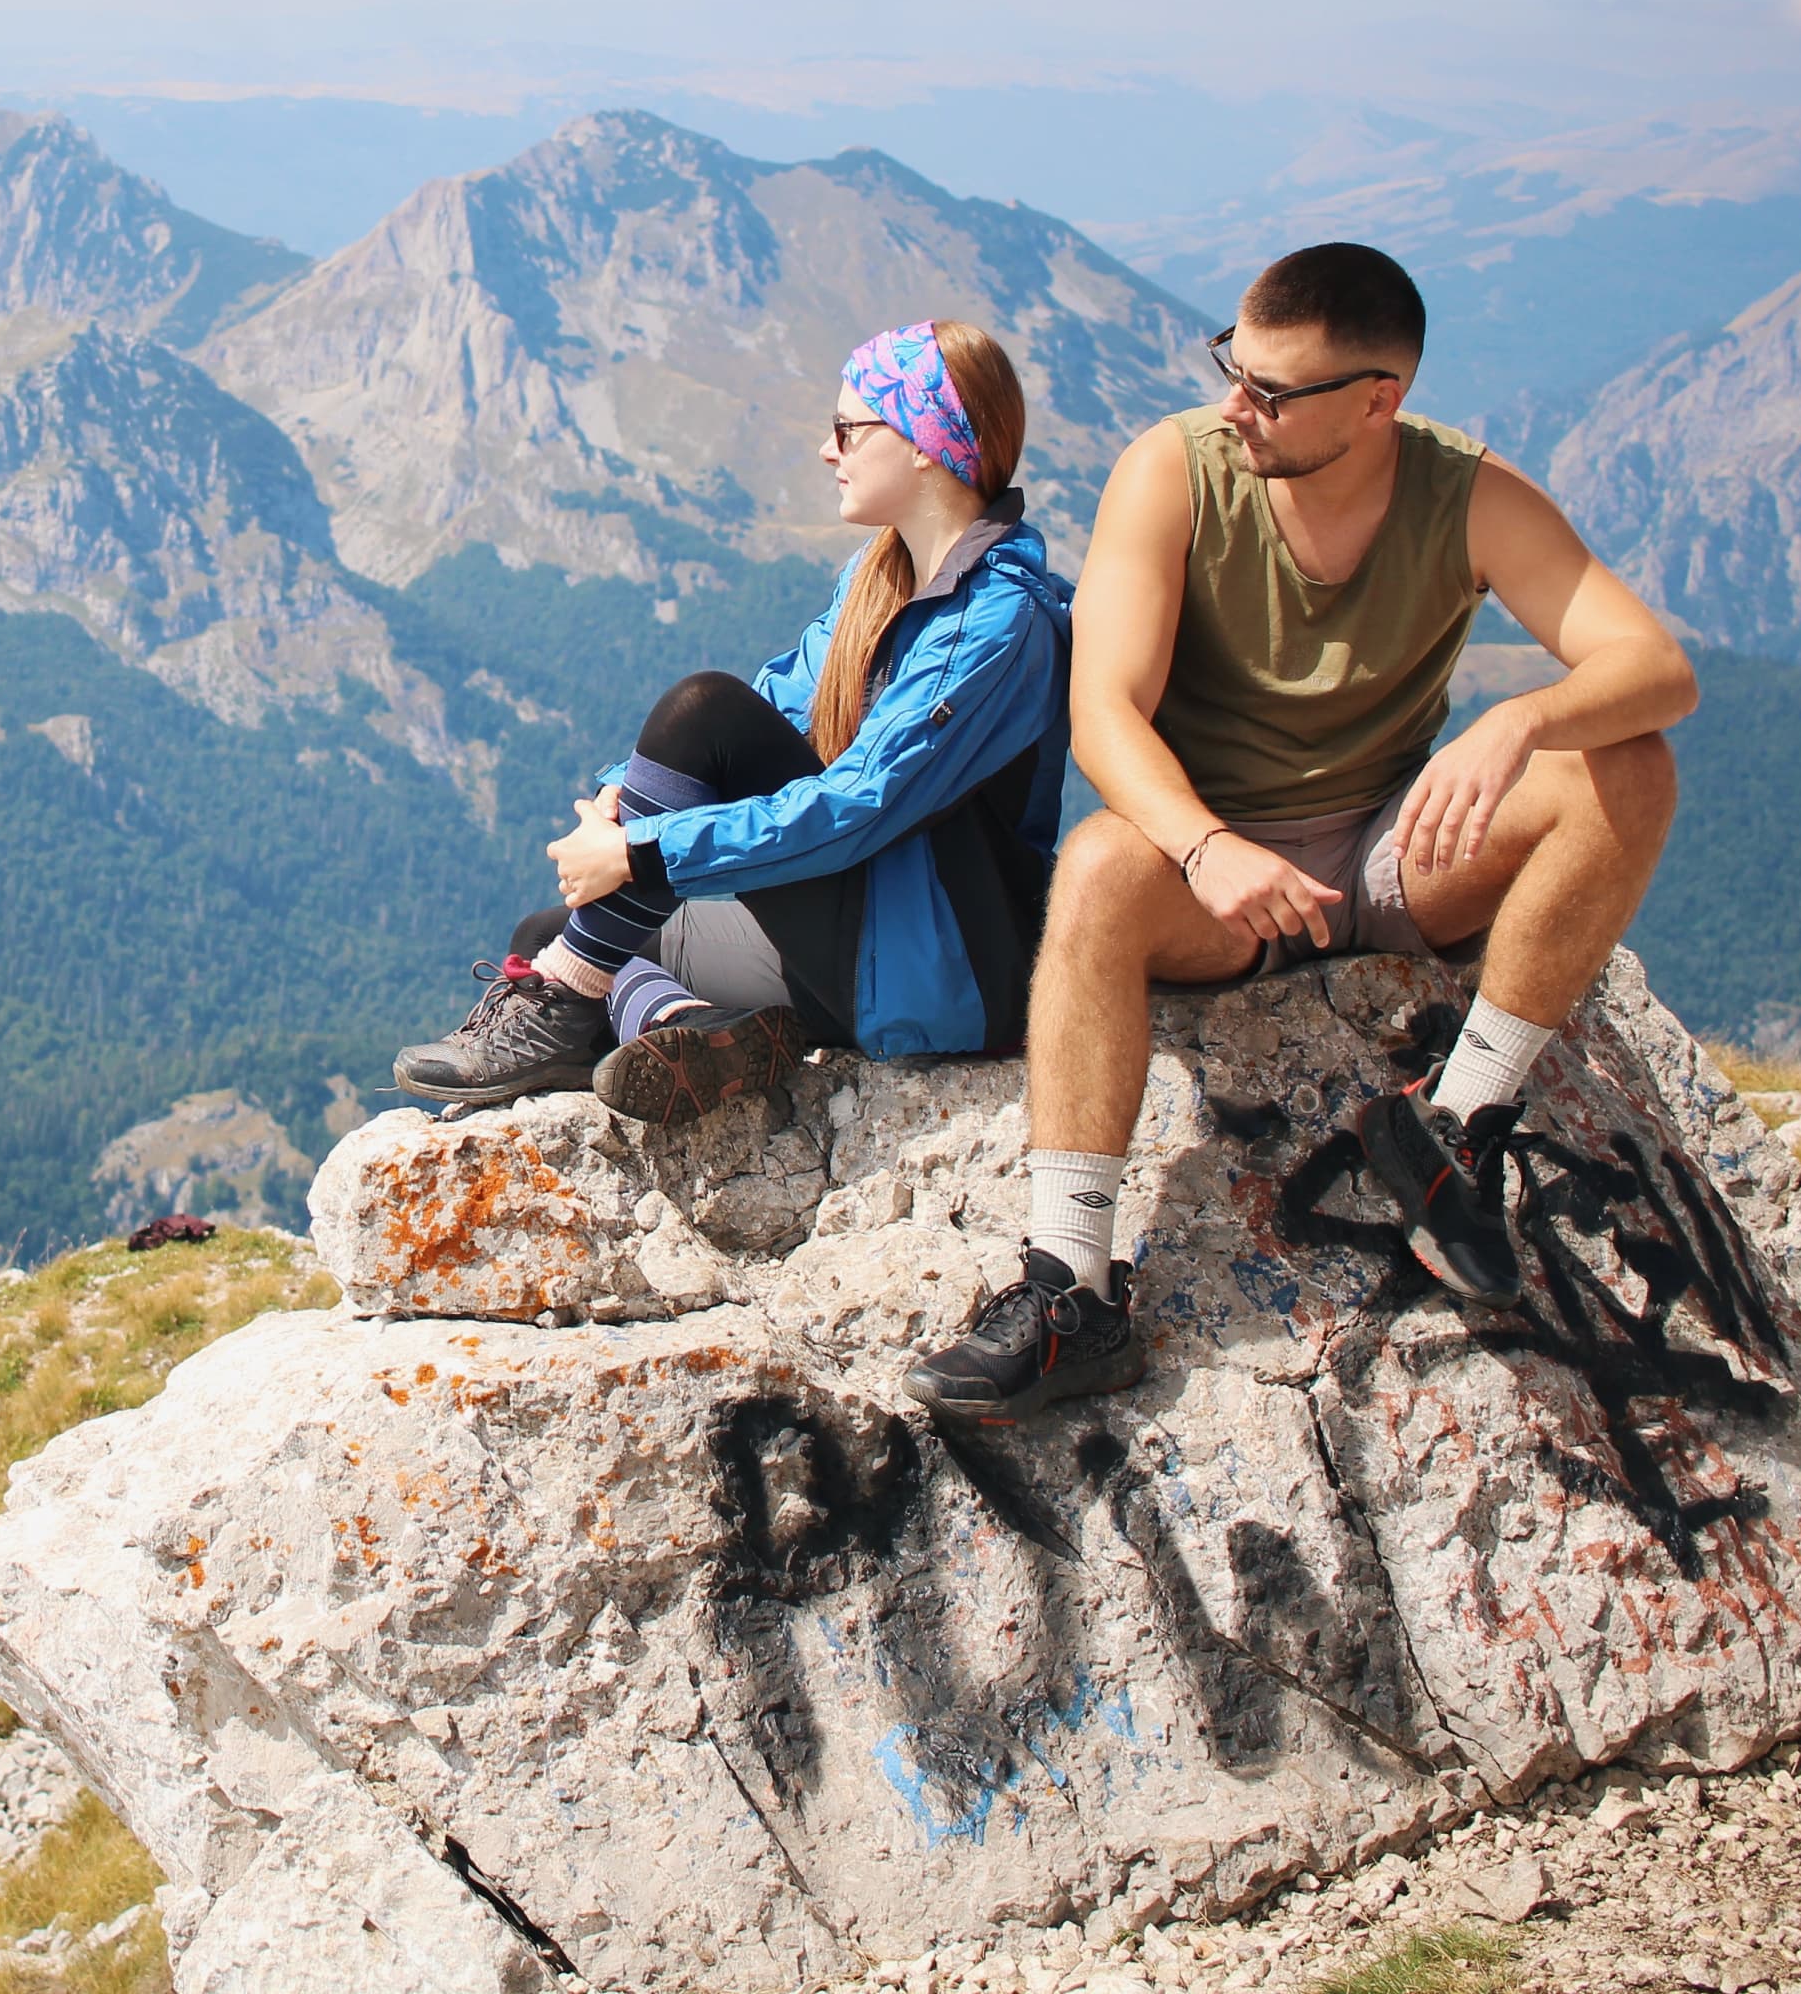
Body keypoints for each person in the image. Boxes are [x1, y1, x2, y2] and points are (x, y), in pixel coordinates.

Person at [905, 242, 1697, 1423]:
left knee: (1626, 766)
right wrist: (1202, 846)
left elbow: (1657, 668)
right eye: (1236, 365)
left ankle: (1456, 1132)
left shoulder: (1468, 495)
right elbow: (1104, 715)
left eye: (1274, 391)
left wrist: (1525, 717)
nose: (1239, 404)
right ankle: (1071, 1288)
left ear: (1380, 399)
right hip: (1213, 864)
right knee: (1099, 867)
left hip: (1388, 847)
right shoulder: (1175, 472)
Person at [393, 320, 1070, 1125]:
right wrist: (624, 800)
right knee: (555, 930)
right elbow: (782, 701)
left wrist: (643, 854)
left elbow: (859, 805)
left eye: (849, 429)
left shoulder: (996, 622)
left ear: (925, 442)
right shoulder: (883, 575)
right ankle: (692, 1028)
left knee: (700, 712)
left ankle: (589, 1014)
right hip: (864, 941)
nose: (829, 450)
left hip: (947, 973)